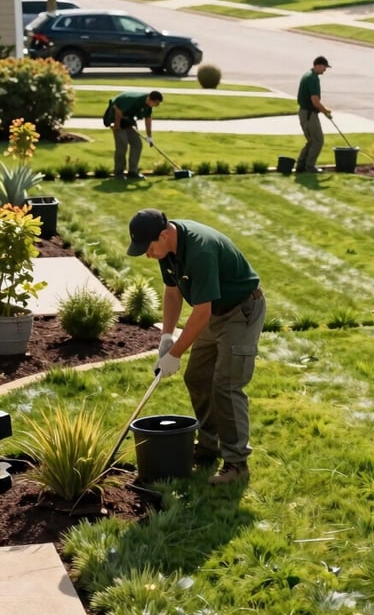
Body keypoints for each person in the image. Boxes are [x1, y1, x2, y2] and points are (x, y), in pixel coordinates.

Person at [126, 209, 266, 484]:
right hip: (215, 311)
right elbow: (172, 292)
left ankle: (237, 464)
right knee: (197, 377)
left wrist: (175, 354)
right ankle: (209, 446)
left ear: (164, 235)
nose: (147, 254)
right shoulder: (167, 249)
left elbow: (201, 313)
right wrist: (167, 338)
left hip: (241, 311)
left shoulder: (200, 251)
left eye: (149, 247)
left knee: (226, 384)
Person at [103, 90, 163, 180]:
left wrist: (149, 136)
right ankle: (119, 173)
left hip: (129, 119)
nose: (157, 105)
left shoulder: (148, 105)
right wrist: (117, 125)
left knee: (137, 144)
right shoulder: (133, 100)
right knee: (122, 145)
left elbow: (148, 119)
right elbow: (115, 106)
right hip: (116, 117)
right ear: (151, 99)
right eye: (156, 103)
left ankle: (132, 172)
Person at [296, 56, 332, 173]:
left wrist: (324, 111)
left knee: (311, 141)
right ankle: (309, 166)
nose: (325, 70)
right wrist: (325, 111)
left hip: (304, 113)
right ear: (318, 65)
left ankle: (301, 164)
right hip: (309, 114)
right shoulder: (313, 79)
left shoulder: (307, 75)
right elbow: (315, 101)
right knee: (318, 140)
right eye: (324, 67)